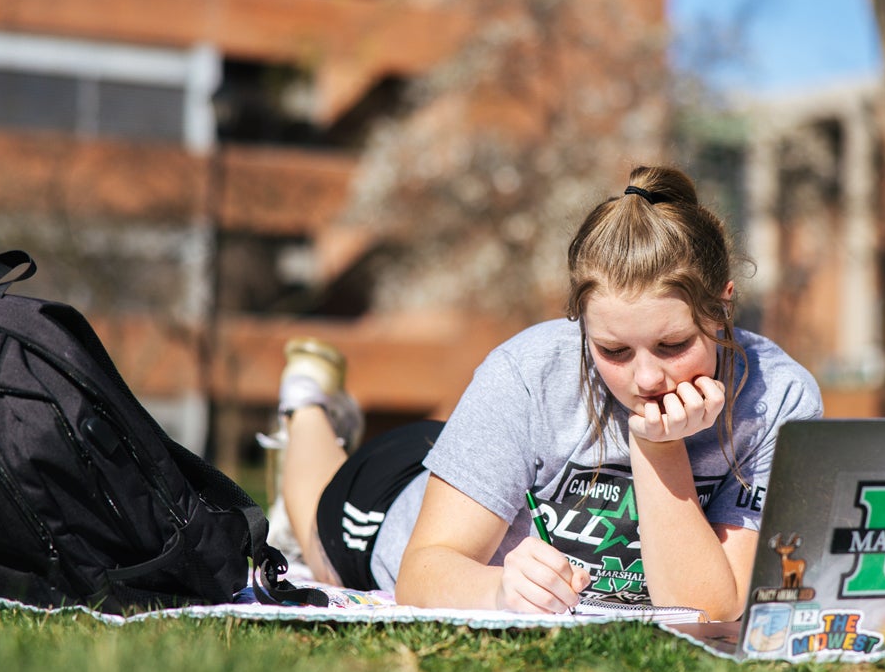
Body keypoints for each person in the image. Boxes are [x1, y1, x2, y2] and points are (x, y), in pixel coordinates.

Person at [277, 166, 823, 621]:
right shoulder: (528, 372)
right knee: (312, 517)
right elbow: (424, 571)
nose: (647, 379)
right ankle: (306, 400)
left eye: (672, 344)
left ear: (724, 307)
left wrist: (658, 449)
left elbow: (710, 608)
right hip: (384, 505)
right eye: (613, 351)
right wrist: (499, 592)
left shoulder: (777, 398)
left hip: (486, 463)